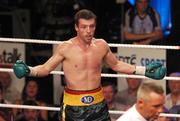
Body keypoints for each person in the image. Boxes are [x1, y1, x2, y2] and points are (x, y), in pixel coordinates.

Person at [13, 9, 166, 121]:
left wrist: (144, 70)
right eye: (84, 27)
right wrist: (29, 70)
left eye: (92, 26)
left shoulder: (101, 45)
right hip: (73, 106)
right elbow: (46, 69)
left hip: (98, 103)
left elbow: (117, 65)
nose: (88, 31)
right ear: (76, 27)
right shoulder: (65, 48)